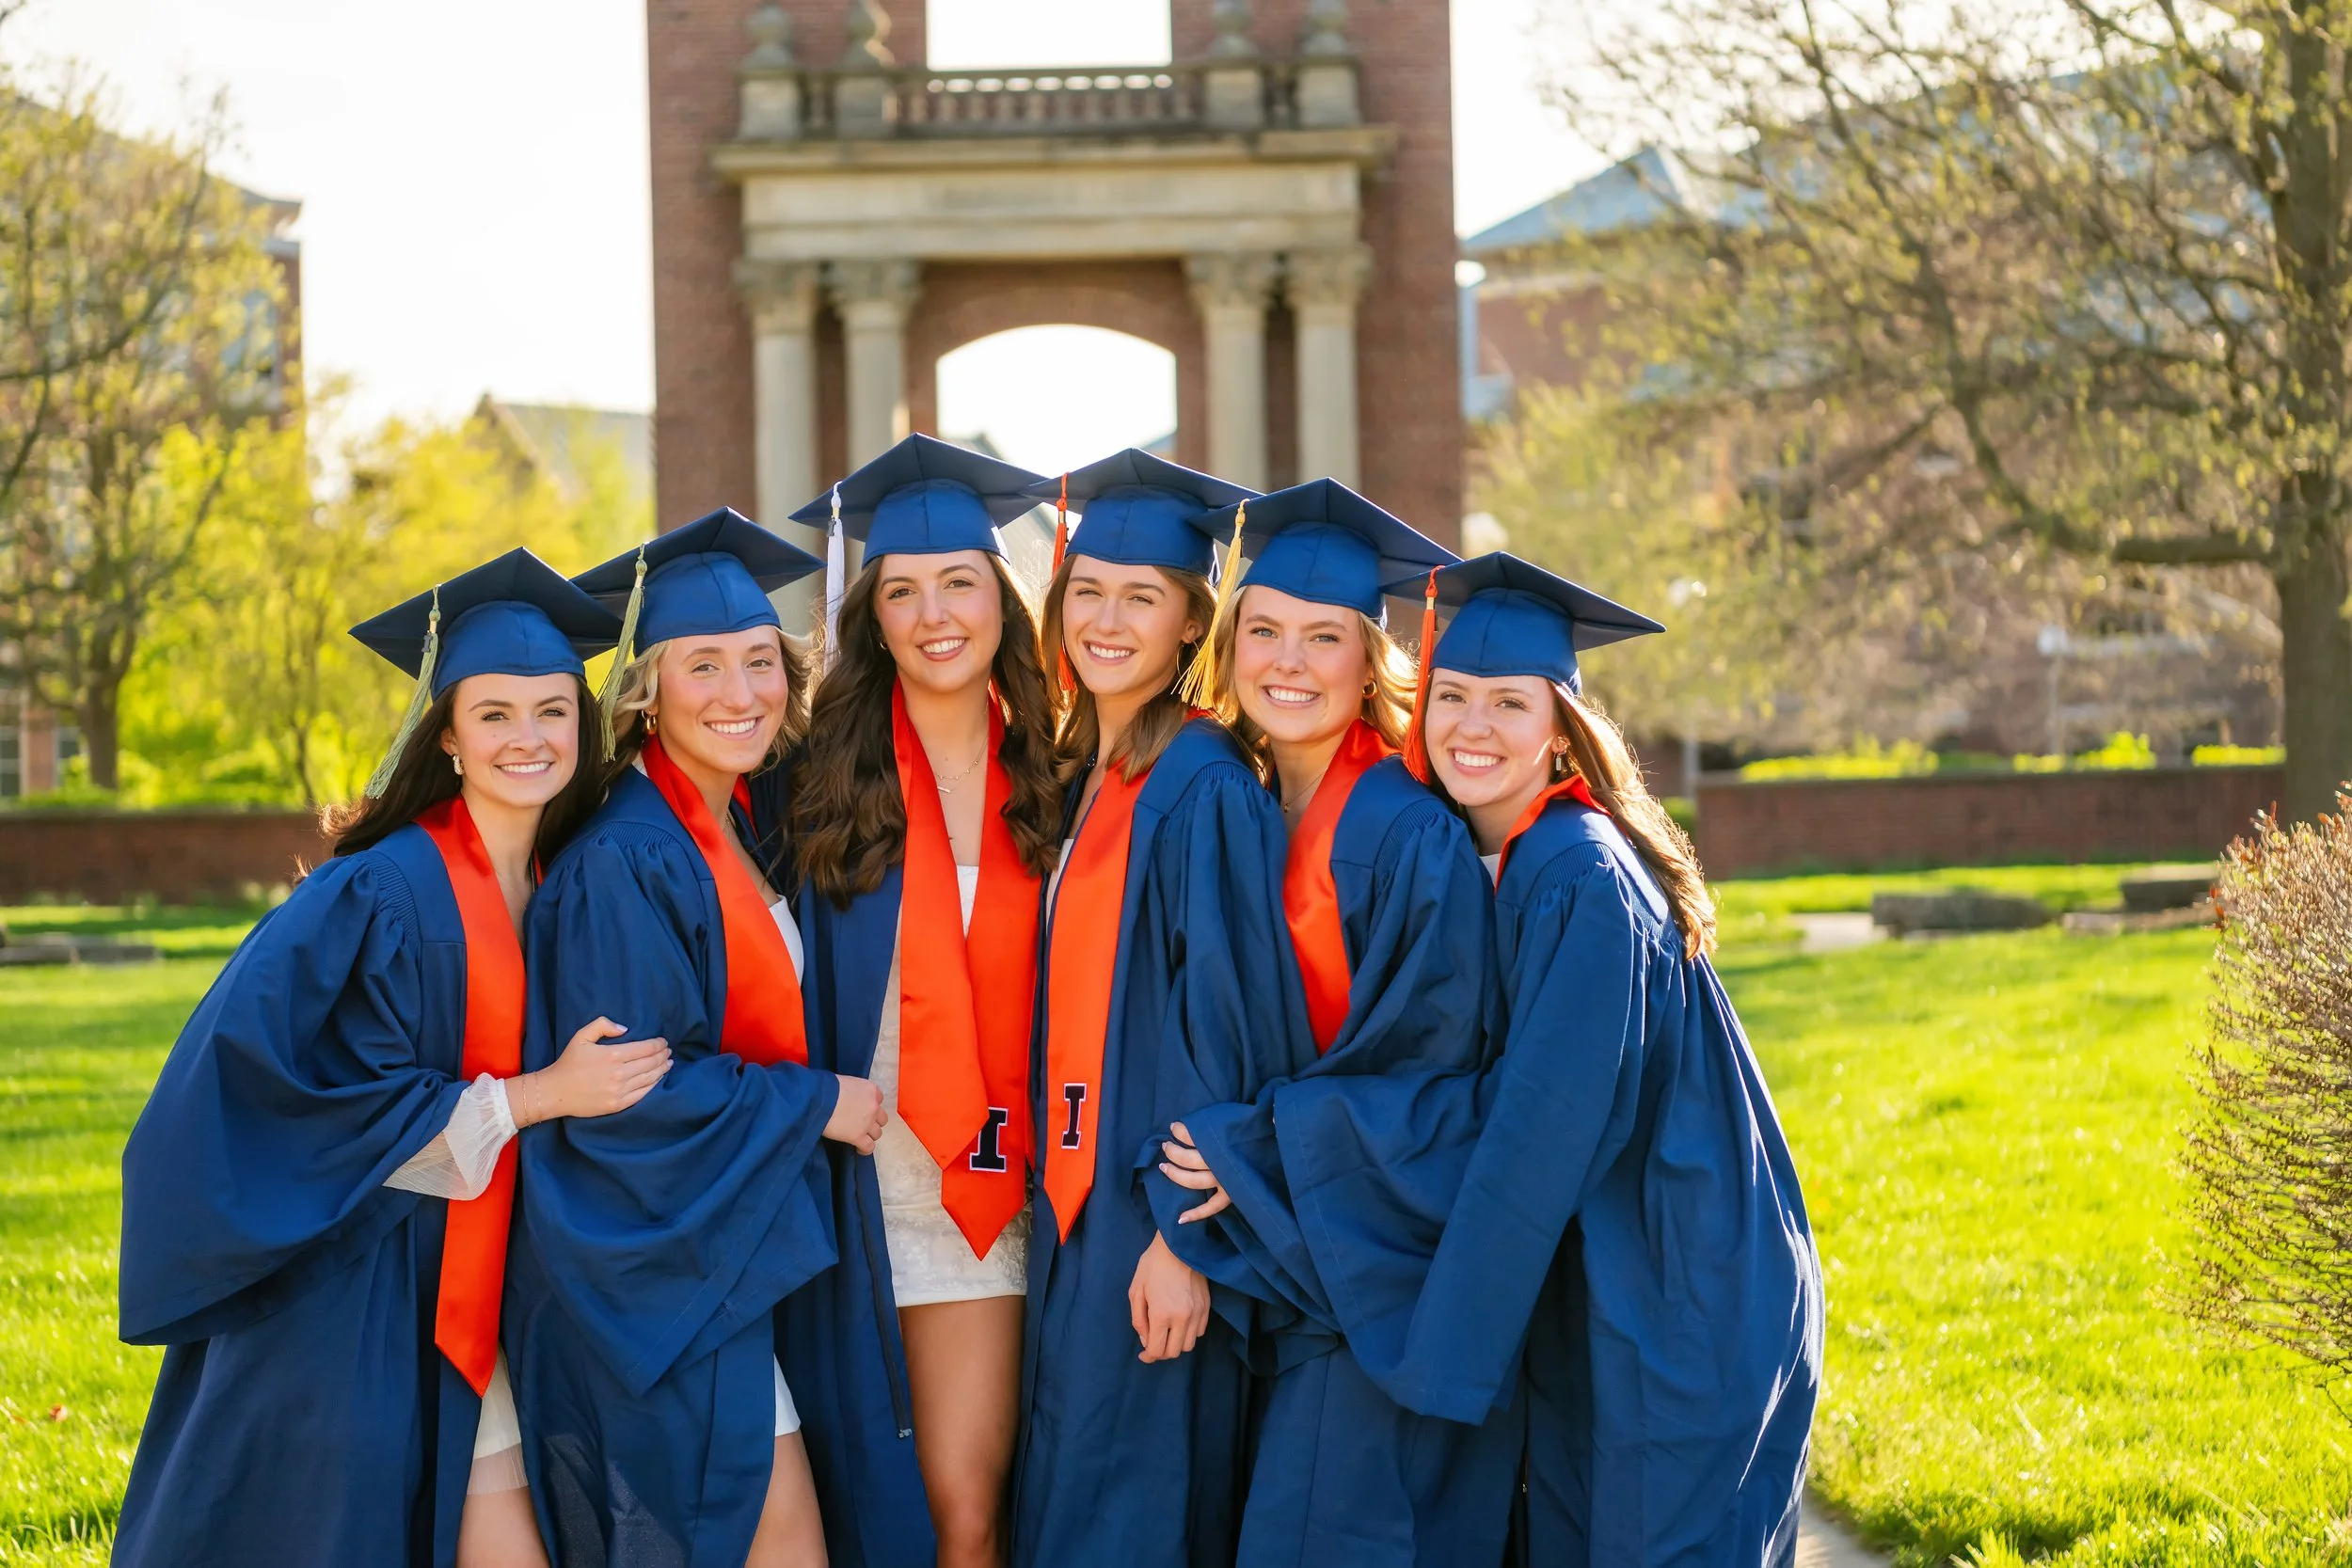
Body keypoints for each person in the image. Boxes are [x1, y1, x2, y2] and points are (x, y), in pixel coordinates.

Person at [116, 550, 668, 1568]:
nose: (528, 736)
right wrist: (545, 1094)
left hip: (485, 1284)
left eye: (552, 709)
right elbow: (316, 1114)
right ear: (447, 734)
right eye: (493, 712)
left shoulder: (564, 878)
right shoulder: (381, 894)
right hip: (352, 1294)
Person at [1393, 551, 1822, 1564]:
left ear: (1562, 731)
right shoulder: (1509, 854)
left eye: (1508, 702)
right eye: (1450, 696)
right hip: (1635, 1267)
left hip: (1682, 1288)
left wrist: (1436, 1365)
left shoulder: (1578, 876)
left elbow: (1537, 1135)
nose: (1470, 725)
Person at [504, 509, 889, 1568]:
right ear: (647, 689)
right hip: (656, 1268)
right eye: (703, 665)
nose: (739, 692)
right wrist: (820, 1100)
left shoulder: (723, 820)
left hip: (709, 1256)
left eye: (760, 661)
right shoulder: (627, 856)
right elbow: (631, 1085)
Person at [1147, 480, 1515, 1568]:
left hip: (1375, 1264)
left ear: (1372, 659)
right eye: (1261, 630)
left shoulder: (1408, 831)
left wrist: (1254, 1146)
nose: (1288, 663)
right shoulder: (1245, 795)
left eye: (1323, 637)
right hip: (1292, 1240)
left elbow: (1435, 1072)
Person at [752, 436, 1060, 1568]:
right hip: (860, 1188)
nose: (934, 613)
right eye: (901, 589)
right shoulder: (810, 786)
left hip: (1008, 1191)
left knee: (967, 1512)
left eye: (960, 582)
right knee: (887, 1510)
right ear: (869, 615)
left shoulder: (1065, 780)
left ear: (1003, 600)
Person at [1003, 448, 1312, 1568]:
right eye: (1086, 589)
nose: (1106, 617)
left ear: (1193, 623)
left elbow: (1223, 1024)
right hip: (1080, 1214)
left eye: (1143, 597)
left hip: (1148, 1219)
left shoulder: (1204, 782)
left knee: (1129, 1508)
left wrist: (1186, 1239)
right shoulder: (1089, 766)